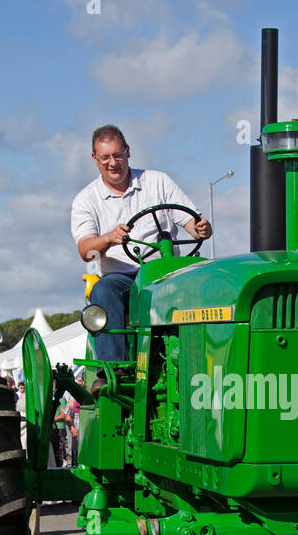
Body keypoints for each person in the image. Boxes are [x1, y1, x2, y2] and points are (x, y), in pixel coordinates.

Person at [71, 125, 212, 363]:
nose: (112, 163)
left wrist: (200, 229)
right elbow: (86, 251)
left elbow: (191, 222)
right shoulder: (87, 199)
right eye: (105, 157)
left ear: (128, 151)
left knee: (211, 279)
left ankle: (209, 359)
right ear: (94, 159)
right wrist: (108, 238)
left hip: (168, 273)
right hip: (124, 279)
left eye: (117, 154)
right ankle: (115, 368)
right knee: (103, 289)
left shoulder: (157, 182)